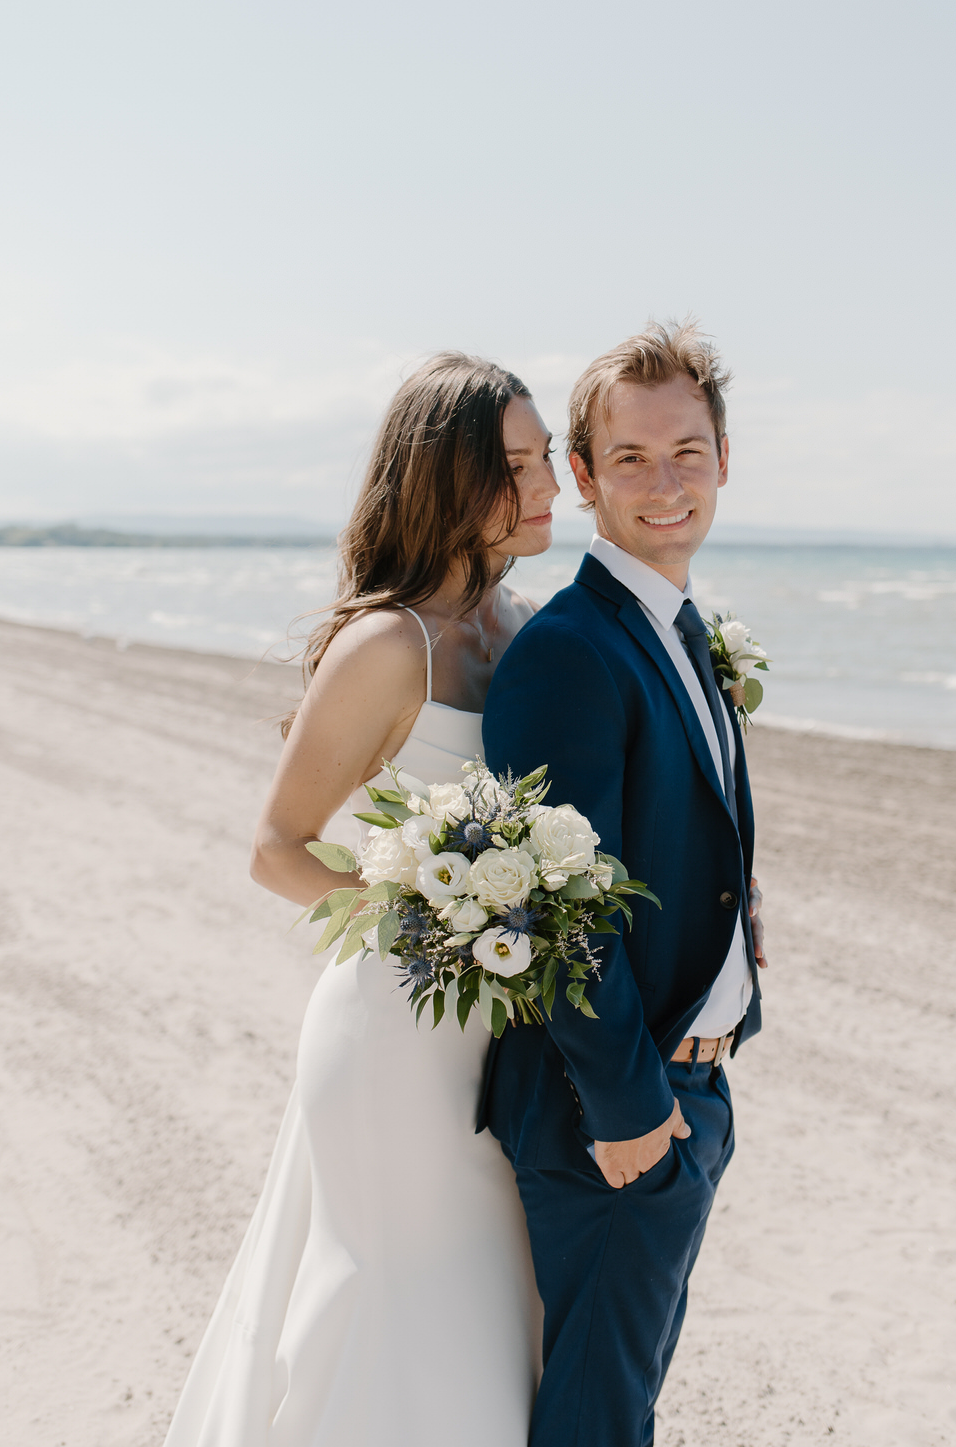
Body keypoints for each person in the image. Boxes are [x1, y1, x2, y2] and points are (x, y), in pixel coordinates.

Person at [164, 353, 559, 1447]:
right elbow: (274, 848)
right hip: (394, 1031)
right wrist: (436, 919)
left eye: (541, 460)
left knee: (485, 1311)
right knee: (392, 1306)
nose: (548, 487)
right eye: (517, 465)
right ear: (448, 476)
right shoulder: (389, 644)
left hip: (501, 1033)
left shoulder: (519, 624)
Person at [480, 318, 768, 1447]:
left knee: (615, 1408)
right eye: (631, 459)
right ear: (585, 476)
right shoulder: (570, 649)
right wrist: (633, 1110)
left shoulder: (675, 629)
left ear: (723, 459)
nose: (664, 483)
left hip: (685, 1093)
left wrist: (740, 948)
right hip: (616, 1116)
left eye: (685, 451)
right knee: (596, 1425)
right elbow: (553, 907)